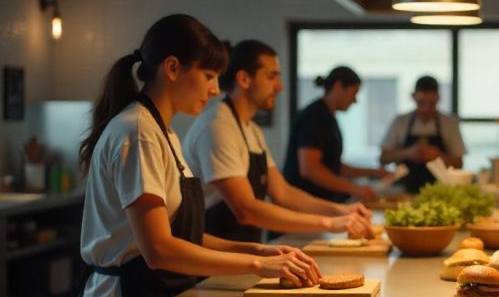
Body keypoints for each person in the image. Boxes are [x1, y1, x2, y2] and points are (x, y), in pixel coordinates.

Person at [73, 15, 320, 297]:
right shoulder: (138, 132)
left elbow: (183, 235)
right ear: (172, 68)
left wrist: (259, 250)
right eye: (208, 76)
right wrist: (256, 264)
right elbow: (159, 249)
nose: (216, 89)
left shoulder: (163, 132)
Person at [183, 40, 374, 243]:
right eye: (272, 76)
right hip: (211, 254)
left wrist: (342, 211)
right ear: (244, 79)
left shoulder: (252, 130)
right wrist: (329, 223)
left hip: (242, 249)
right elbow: (246, 209)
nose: (280, 87)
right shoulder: (218, 126)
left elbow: (284, 193)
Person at [283, 66, 390, 202]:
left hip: (321, 202)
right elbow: (310, 169)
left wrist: (373, 172)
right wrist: (353, 188)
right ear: (339, 87)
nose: (355, 100)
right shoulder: (314, 116)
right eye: (354, 93)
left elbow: (333, 165)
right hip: (306, 202)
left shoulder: (328, 117)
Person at [379, 75, 467, 193]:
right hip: (404, 190)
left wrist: (438, 156)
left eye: (431, 103)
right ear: (413, 97)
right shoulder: (400, 122)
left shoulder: (449, 123)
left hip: (441, 191)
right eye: (421, 102)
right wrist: (408, 153)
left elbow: (459, 164)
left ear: (438, 98)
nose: (426, 108)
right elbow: (383, 158)